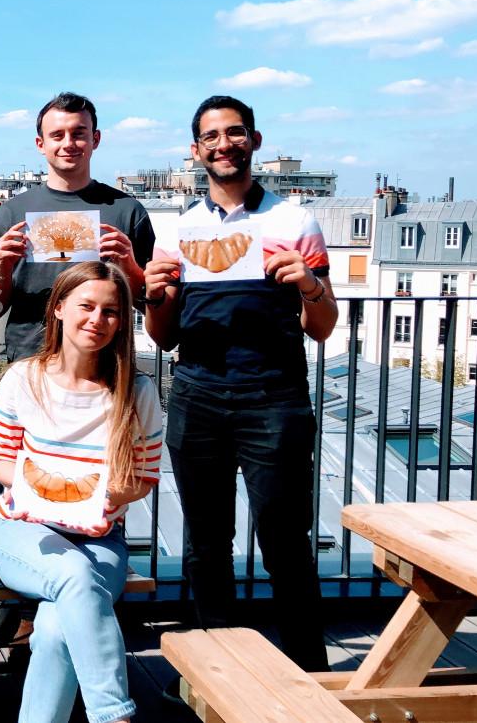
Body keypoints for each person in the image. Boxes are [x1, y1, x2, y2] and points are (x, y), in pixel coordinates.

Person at [143, 95, 337, 674]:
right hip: (198, 393)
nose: (223, 144)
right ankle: (220, 673)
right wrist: (155, 295)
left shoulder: (294, 219)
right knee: (206, 544)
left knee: (285, 543)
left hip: (274, 396)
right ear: (195, 150)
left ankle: (310, 673)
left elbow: (322, 328)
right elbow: (163, 337)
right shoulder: (181, 229)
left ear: (254, 140)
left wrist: (308, 285)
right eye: (211, 136)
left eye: (234, 133)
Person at [0, 262, 162, 723]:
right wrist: (43, 492)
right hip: (22, 530)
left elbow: (143, 477)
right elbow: (0, 459)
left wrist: (101, 498)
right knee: (75, 579)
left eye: (111, 311)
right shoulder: (24, 378)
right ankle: (113, 715)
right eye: (86, 306)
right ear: (59, 308)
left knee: (52, 629)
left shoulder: (136, 390)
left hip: (100, 538)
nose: (96, 320)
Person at [0, 93, 155, 362]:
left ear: (95, 139)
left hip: (107, 363)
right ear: (41, 143)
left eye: (78, 133)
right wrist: (2, 268)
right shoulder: (11, 213)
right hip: (30, 361)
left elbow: (147, 303)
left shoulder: (128, 211)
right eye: (57, 135)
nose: (68, 143)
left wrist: (129, 267)